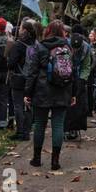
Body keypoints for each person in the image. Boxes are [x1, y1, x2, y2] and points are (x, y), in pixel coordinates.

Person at [24, 21, 76, 170]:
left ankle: (36, 158)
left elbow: (32, 72)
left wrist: (28, 92)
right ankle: (55, 161)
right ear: (62, 32)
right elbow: (74, 72)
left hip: (42, 91)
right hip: (63, 89)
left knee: (40, 124)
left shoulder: (40, 47)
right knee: (58, 125)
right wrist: (73, 93)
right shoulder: (67, 47)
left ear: (48, 31)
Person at [8, 20, 37, 141]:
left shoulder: (18, 45)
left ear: (24, 30)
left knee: (18, 105)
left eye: (20, 28)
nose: (18, 30)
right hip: (32, 78)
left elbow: (11, 63)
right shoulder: (35, 44)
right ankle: (27, 131)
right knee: (29, 104)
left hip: (19, 78)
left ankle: (20, 131)